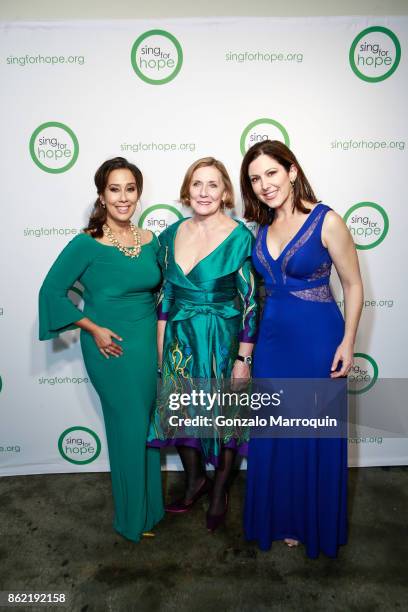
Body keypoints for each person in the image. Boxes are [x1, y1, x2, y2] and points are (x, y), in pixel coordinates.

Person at [241, 140, 363, 558]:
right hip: (272, 343)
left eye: (271, 173)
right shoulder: (261, 227)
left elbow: (353, 285)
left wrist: (348, 341)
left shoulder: (327, 220)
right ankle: (281, 518)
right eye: (255, 179)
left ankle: (311, 522)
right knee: (277, 432)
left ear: (291, 171)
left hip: (317, 342)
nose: (264, 184)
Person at [39, 157, 164, 542]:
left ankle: (149, 512)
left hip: (146, 346)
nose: (123, 197)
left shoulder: (150, 240)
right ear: (101, 195)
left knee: (145, 428)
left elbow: (163, 292)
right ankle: (130, 519)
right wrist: (92, 328)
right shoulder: (86, 243)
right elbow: (51, 293)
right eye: (115, 189)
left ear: (138, 193)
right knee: (127, 429)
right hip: (111, 350)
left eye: (130, 189)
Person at [148, 157, 258, 530]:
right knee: (179, 409)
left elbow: (252, 302)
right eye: (197, 184)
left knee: (227, 417)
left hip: (223, 340)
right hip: (180, 337)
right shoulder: (170, 236)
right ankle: (195, 481)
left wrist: (244, 358)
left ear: (226, 192)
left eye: (213, 184)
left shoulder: (241, 237)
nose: (204, 192)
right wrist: (162, 349)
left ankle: (219, 490)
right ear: (187, 189)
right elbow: (164, 298)